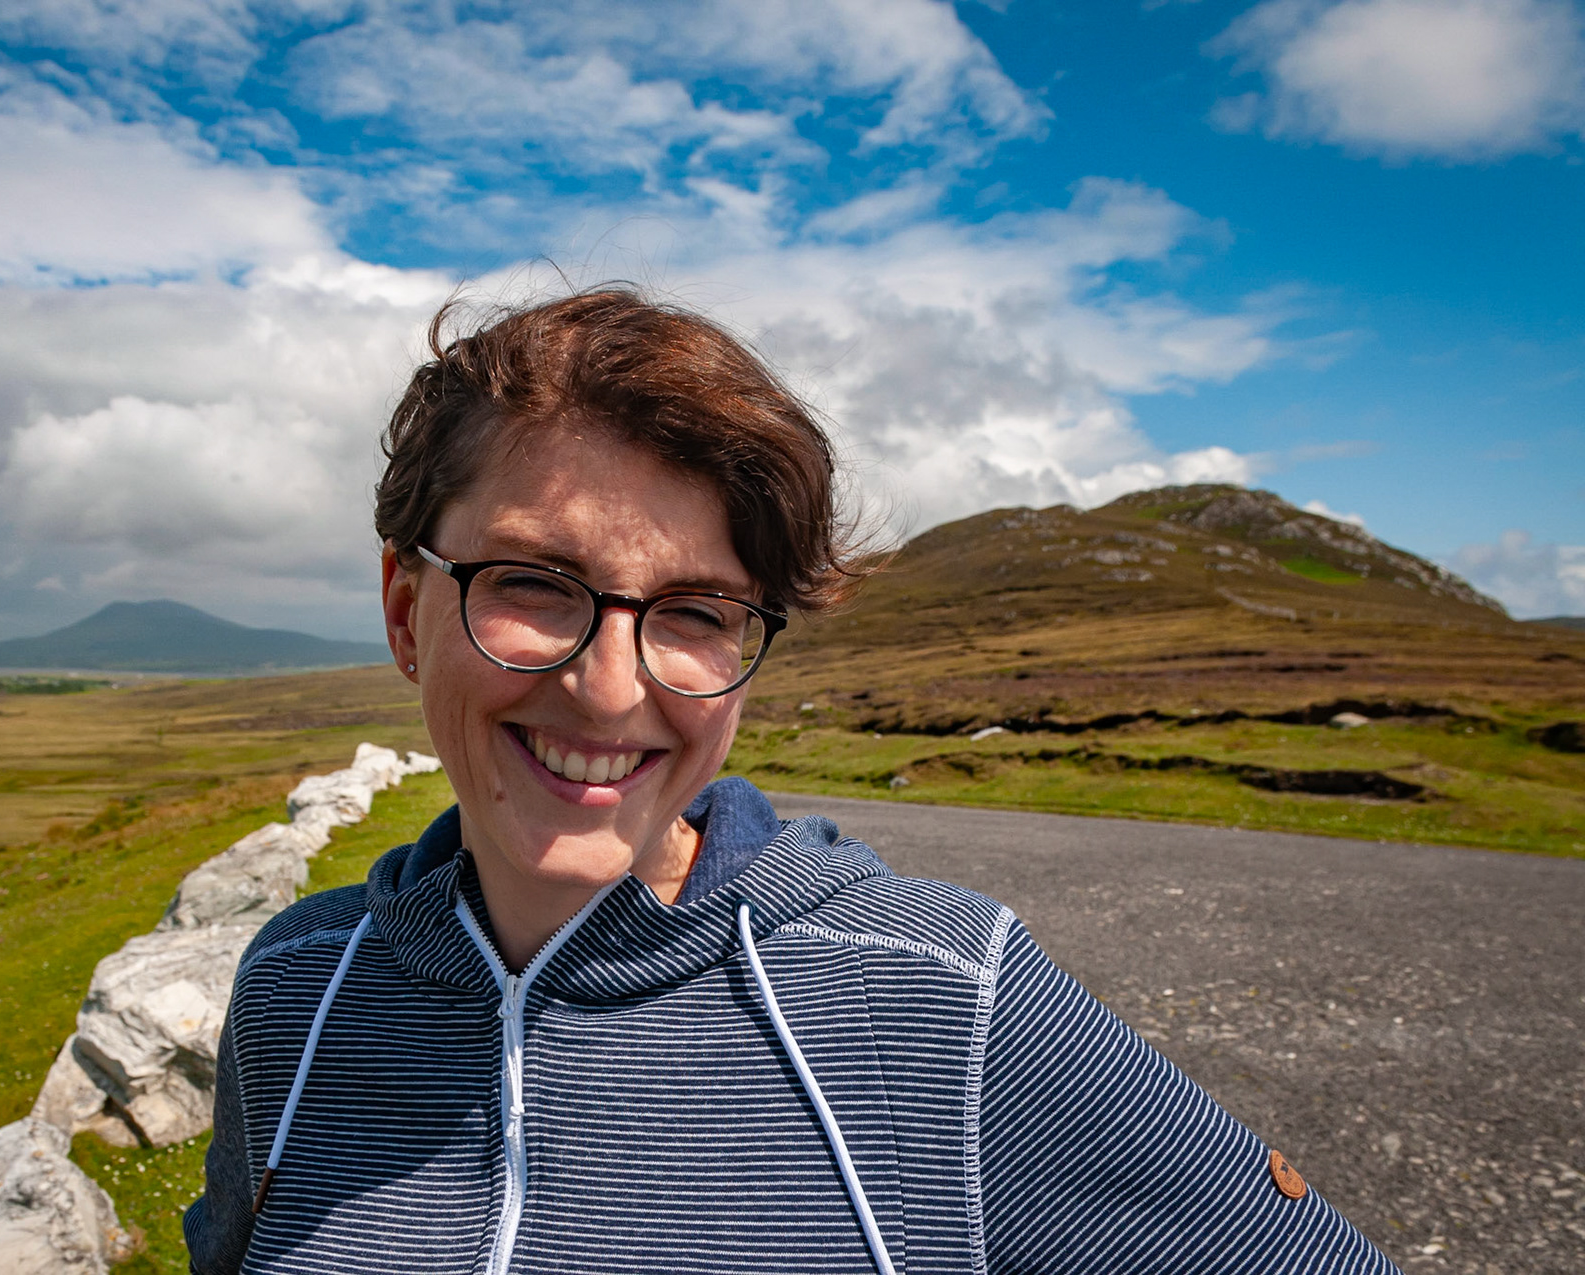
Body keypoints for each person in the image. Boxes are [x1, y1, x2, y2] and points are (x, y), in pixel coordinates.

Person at [185, 289, 1398, 1274]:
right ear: (408, 612)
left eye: (697, 612)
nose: (610, 691)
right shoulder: (297, 992)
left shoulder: (943, 1005)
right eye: (534, 584)